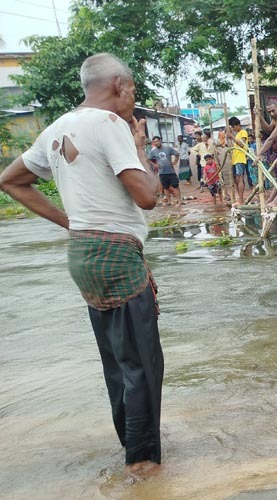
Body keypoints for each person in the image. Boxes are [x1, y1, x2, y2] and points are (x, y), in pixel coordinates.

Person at [0, 53, 164, 479]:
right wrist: (140, 147)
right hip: (117, 256)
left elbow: (11, 180)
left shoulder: (57, 128)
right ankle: (142, 464)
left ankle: (131, 443)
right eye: (133, 89)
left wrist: (70, 222)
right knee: (142, 363)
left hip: (84, 255)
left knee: (118, 362)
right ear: (119, 85)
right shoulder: (109, 124)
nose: (133, 99)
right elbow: (147, 196)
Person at [150, 136, 181, 206]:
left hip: (171, 171)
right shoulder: (153, 151)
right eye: (154, 142)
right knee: (165, 187)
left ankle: (179, 201)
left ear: (160, 141)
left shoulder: (168, 148)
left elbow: (177, 154)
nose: (156, 143)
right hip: (162, 172)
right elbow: (148, 159)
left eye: (157, 141)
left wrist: (175, 162)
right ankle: (169, 201)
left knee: (175, 186)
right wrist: (155, 165)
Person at [226, 116, 249, 204]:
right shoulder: (237, 134)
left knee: (240, 178)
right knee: (235, 179)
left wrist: (232, 137)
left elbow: (242, 144)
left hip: (240, 158)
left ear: (237, 125)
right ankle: (240, 197)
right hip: (235, 159)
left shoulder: (243, 132)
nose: (233, 128)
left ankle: (241, 199)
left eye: (233, 126)